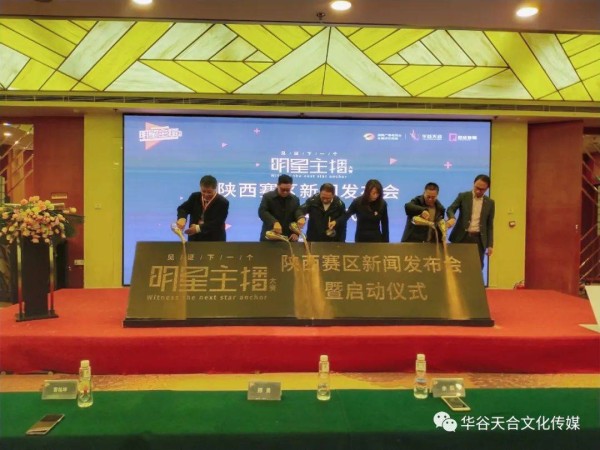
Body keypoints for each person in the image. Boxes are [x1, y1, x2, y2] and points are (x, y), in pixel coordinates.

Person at [446, 174, 495, 268]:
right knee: (456, 265)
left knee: (476, 267)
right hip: (461, 237)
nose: (478, 191)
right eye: (477, 187)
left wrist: (490, 245)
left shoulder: (490, 203)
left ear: (487, 189)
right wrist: (452, 218)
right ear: (474, 184)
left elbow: (490, 225)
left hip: (478, 239)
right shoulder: (463, 196)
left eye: (482, 189)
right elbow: (450, 209)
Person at [176, 175, 229, 241]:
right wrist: (182, 219)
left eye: (209, 192)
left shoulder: (223, 202)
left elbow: (218, 223)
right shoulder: (195, 197)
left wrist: (198, 228)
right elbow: (183, 209)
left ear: (215, 189)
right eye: (203, 191)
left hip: (214, 240)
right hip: (195, 239)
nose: (206, 194)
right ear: (200, 188)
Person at [258, 174, 305, 241]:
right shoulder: (268, 197)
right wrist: (274, 222)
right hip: (270, 237)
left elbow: (297, 214)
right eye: (282, 189)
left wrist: (296, 233)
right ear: (278, 185)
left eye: (288, 190)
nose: (285, 192)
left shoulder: (295, 200)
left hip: (288, 239)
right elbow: (262, 212)